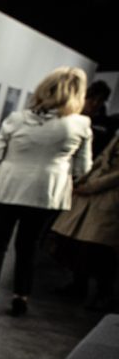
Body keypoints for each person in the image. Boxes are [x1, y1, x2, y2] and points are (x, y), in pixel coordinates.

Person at [0, 67, 92, 317]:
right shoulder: (80, 124)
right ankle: (21, 296)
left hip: (5, 188)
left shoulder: (17, 119)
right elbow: (82, 168)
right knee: (29, 246)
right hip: (46, 192)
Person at [49, 133, 119, 311]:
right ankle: (78, 284)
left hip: (109, 196)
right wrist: (81, 180)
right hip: (92, 193)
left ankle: (104, 293)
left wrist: (90, 186)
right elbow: (102, 159)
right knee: (77, 242)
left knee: (100, 248)